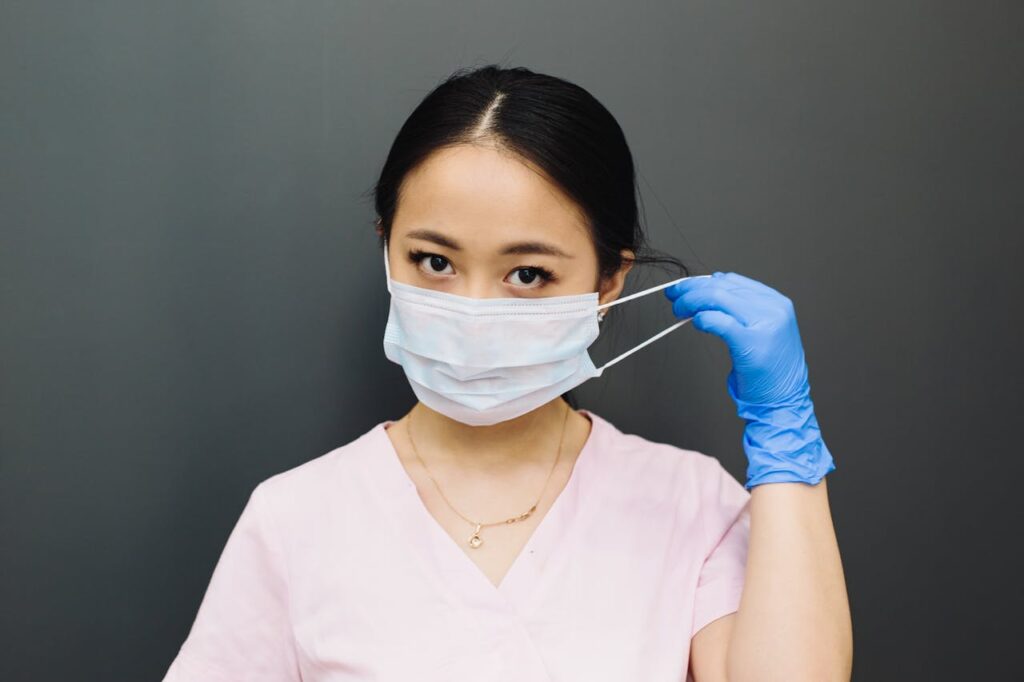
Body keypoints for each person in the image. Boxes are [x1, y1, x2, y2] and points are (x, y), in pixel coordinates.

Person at [161, 65, 852, 681]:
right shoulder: (296, 520)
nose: (472, 312)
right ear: (387, 247)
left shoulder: (689, 504)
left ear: (609, 280)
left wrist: (786, 443)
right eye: (434, 261)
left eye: (528, 274)